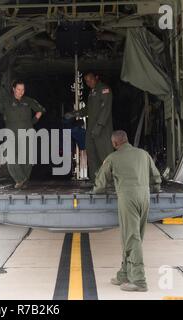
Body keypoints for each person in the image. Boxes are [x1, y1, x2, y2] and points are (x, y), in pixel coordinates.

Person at [94, 130, 162, 292]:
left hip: (128, 198)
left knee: (131, 237)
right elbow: (156, 177)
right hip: (144, 198)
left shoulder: (112, 158)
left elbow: (101, 182)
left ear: (115, 143)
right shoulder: (143, 154)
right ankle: (124, 273)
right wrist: (155, 188)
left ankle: (139, 280)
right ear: (126, 140)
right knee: (135, 236)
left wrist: (96, 191)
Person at [0, 80, 46, 189]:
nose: (20, 92)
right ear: (14, 89)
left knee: (27, 159)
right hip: (11, 134)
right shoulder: (7, 101)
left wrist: (33, 121)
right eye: (18, 89)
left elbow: (40, 110)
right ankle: (20, 179)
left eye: (23, 90)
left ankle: (23, 180)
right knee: (10, 157)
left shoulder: (28, 101)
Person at [66, 72, 114, 182]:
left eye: (90, 79)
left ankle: (110, 181)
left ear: (96, 77)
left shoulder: (104, 89)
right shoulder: (92, 92)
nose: (89, 82)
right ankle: (96, 180)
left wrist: (98, 127)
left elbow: (106, 110)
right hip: (92, 129)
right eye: (86, 81)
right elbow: (88, 109)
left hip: (102, 130)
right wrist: (75, 113)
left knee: (105, 155)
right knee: (92, 154)